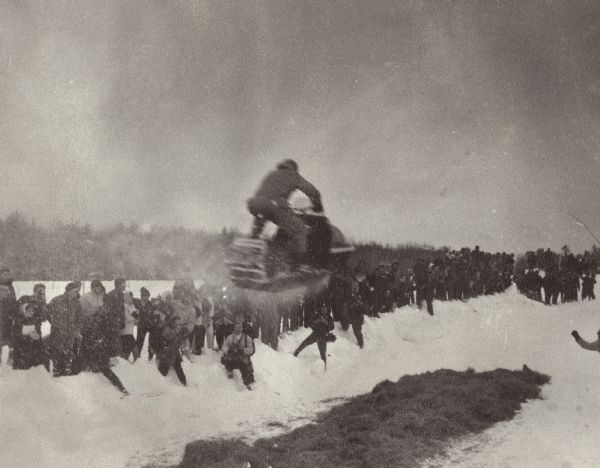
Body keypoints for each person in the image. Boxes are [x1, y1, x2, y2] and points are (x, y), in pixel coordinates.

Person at [247, 159, 322, 265]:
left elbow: (261, 191)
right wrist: (316, 205)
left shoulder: (271, 174)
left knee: (256, 234)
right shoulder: (293, 175)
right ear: (294, 169)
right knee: (300, 229)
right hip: (275, 206)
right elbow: (313, 192)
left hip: (256, 204)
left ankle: (251, 259)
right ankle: (302, 266)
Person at [79, 306, 129, 395]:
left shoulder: (95, 320)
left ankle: (120, 387)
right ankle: (121, 387)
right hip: (95, 348)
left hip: (94, 348)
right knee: (105, 369)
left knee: (102, 367)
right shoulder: (103, 321)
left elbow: (85, 334)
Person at [47, 282, 84, 376]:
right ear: (68, 291)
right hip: (58, 331)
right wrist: (55, 323)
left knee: (68, 350)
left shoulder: (76, 302)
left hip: (70, 331)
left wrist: (77, 328)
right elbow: (47, 312)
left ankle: (67, 369)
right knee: (57, 350)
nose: (77, 293)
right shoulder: (57, 300)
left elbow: (80, 317)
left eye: (77, 291)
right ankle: (57, 369)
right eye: (75, 291)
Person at [293, 302, 335, 369]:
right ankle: (295, 353)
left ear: (327, 309)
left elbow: (332, 327)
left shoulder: (329, 317)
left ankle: (324, 367)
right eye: (323, 308)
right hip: (315, 334)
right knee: (304, 343)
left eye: (325, 308)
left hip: (322, 336)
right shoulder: (317, 315)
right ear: (321, 309)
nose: (324, 310)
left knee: (322, 351)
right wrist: (317, 321)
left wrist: (325, 322)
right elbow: (311, 324)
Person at [11, 303, 50, 371]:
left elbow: (38, 333)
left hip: (33, 347)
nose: (31, 312)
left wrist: (37, 336)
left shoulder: (35, 320)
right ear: (24, 311)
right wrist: (27, 334)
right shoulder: (18, 320)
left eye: (32, 311)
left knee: (41, 355)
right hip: (22, 348)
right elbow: (16, 334)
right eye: (29, 311)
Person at [220, 318, 256, 390]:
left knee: (244, 366)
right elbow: (224, 346)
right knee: (228, 360)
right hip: (232, 359)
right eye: (236, 328)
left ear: (242, 328)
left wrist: (243, 351)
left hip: (242, 359)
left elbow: (251, 349)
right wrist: (228, 350)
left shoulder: (247, 338)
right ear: (234, 328)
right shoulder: (230, 337)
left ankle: (247, 382)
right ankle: (229, 372)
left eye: (240, 328)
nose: (238, 329)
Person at [157, 315, 187, 386]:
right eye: (176, 322)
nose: (177, 324)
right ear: (172, 322)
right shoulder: (167, 328)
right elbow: (167, 337)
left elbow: (180, 342)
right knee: (163, 372)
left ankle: (185, 385)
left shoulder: (178, 329)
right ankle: (161, 386)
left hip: (175, 354)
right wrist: (176, 332)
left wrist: (182, 336)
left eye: (178, 322)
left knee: (179, 370)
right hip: (166, 354)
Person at [133, 287, 154, 359]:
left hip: (150, 325)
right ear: (141, 296)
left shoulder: (151, 304)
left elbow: (155, 312)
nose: (146, 297)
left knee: (152, 342)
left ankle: (150, 357)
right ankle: (137, 357)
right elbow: (129, 301)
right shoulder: (137, 302)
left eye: (148, 296)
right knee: (139, 342)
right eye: (144, 296)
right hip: (142, 325)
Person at [120, 290, 139, 362]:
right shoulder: (124, 306)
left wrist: (135, 317)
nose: (131, 299)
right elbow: (127, 318)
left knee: (128, 350)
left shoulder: (132, 305)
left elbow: (137, 317)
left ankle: (126, 363)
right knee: (134, 348)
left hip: (130, 331)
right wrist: (134, 317)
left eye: (131, 297)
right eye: (129, 297)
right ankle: (137, 363)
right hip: (125, 331)